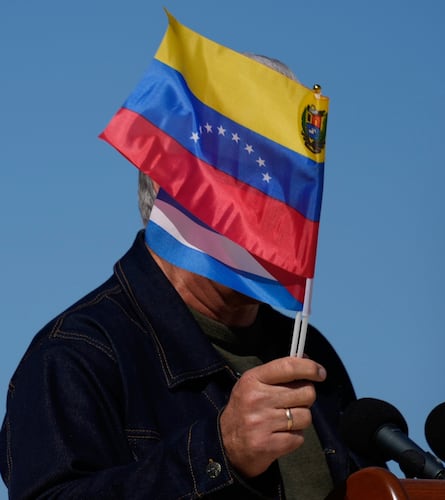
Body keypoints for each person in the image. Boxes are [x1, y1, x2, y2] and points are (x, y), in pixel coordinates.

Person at [0, 57, 377, 500]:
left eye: (287, 174)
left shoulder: (309, 353)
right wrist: (220, 451)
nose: (273, 200)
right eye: (246, 173)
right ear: (171, 190)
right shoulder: (77, 355)